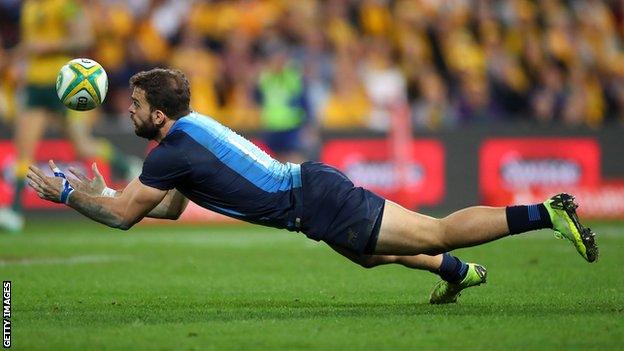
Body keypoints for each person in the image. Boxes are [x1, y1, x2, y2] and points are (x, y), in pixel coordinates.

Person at [26, 68, 598, 304]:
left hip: (316, 199)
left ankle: (547, 213)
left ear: (159, 116)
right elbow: (170, 208)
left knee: (436, 229)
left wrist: (72, 195)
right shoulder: (185, 137)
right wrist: (104, 194)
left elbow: (127, 216)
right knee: (374, 258)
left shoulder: (173, 148)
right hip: (313, 198)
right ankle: (456, 272)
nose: (129, 111)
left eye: (137, 104)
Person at [0, 0, 140, 233]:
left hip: (66, 85)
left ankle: (125, 166)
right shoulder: (29, 7)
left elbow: (84, 39)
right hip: (34, 85)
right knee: (23, 151)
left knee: (82, 146)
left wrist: (50, 45)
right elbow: (31, 45)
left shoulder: (65, 6)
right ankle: (14, 213)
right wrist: (13, 57)